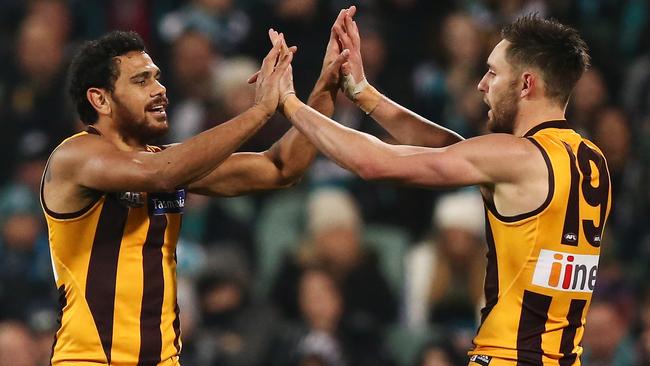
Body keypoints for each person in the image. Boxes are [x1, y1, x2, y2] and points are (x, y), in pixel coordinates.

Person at [280, 7, 611, 365]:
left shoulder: (517, 157)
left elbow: (373, 162)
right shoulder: (591, 159)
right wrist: (363, 93)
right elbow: (452, 150)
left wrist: (288, 102)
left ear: (527, 84)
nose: (482, 84)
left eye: (493, 72)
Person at [40, 7, 355, 365]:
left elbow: (281, 166)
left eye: (157, 77)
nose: (160, 89)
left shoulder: (170, 162)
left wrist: (326, 86)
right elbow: (160, 174)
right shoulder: (74, 157)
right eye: (141, 81)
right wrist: (259, 111)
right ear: (100, 99)